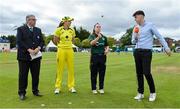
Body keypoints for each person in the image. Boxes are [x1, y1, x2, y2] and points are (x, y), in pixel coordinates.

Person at [131, 10, 171, 102]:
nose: (135, 19)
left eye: (136, 17)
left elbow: (159, 37)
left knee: (147, 72)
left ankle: (152, 92)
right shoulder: (135, 28)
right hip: (137, 51)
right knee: (139, 73)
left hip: (146, 52)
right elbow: (133, 41)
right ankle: (140, 93)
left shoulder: (150, 25)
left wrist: (167, 48)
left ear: (141, 17)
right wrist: (136, 36)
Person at [16, 14, 44, 100]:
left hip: (36, 56)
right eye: (33, 19)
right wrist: (29, 49)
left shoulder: (38, 30)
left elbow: (42, 41)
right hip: (24, 57)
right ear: (28, 20)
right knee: (23, 75)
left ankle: (35, 90)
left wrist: (38, 48)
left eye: (35, 20)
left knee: (36, 75)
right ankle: (22, 92)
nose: (35, 21)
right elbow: (19, 41)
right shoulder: (21, 29)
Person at [53, 16, 76, 94]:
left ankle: (71, 86)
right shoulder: (58, 29)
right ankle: (57, 87)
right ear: (64, 22)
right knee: (60, 69)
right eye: (69, 21)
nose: (70, 22)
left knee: (71, 69)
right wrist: (61, 45)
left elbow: (73, 40)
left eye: (70, 21)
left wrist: (68, 45)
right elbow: (55, 40)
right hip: (61, 50)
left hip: (70, 50)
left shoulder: (72, 30)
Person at [88, 23, 109, 94]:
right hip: (94, 56)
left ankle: (101, 88)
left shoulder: (104, 37)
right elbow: (91, 43)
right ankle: (94, 88)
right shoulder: (92, 36)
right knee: (93, 73)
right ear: (94, 28)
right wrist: (97, 38)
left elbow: (107, 45)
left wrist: (107, 50)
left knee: (102, 73)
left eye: (99, 27)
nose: (98, 28)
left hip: (102, 57)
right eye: (97, 27)